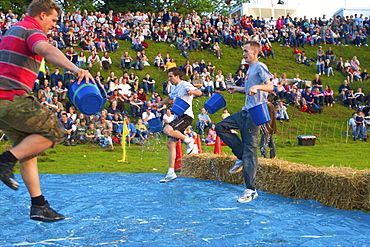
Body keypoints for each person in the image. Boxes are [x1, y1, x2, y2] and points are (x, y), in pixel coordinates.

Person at [0, 0, 94, 222]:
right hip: (12, 99)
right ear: (42, 15)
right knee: (56, 132)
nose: (54, 25)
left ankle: (39, 206)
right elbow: (47, 50)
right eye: (53, 20)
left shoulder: (13, 29)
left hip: (2, 103)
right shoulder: (31, 31)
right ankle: (4, 161)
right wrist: (76, 69)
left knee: (27, 152)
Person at [215, 41, 273, 203]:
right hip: (245, 111)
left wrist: (257, 87)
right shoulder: (250, 69)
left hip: (255, 113)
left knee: (250, 149)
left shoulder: (260, 66)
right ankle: (240, 156)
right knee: (221, 127)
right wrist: (237, 89)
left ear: (255, 52)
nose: (244, 54)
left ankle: (251, 189)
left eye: (246, 51)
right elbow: (250, 89)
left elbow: (271, 87)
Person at [156, 67, 202, 183]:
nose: (169, 78)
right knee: (171, 144)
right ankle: (171, 172)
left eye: (171, 76)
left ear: (177, 76)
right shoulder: (174, 88)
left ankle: (190, 141)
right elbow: (170, 98)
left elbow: (199, 92)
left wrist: (192, 92)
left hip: (186, 115)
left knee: (167, 129)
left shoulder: (185, 85)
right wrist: (159, 104)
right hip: (178, 116)